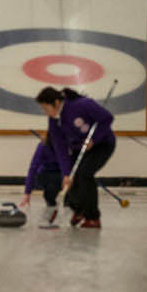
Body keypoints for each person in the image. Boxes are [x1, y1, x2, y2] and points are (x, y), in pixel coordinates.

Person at [37, 86, 115, 229]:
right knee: (72, 178)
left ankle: (93, 218)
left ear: (56, 102)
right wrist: (66, 173)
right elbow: (60, 148)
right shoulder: (53, 121)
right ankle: (78, 210)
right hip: (80, 149)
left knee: (84, 174)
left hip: (102, 144)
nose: (45, 112)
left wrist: (95, 139)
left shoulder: (82, 105)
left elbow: (107, 118)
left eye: (46, 108)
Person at [18, 135, 63, 213]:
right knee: (50, 187)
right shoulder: (43, 146)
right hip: (45, 174)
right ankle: (50, 202)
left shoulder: (67, 144)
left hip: (62, 174)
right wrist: (27, 193)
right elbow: (33, 168)